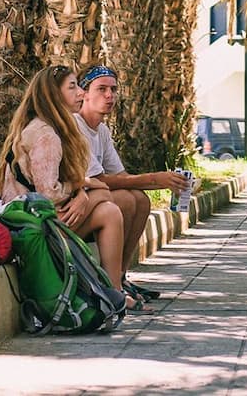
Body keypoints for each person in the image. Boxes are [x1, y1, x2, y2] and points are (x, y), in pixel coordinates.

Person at [0, 65, 135, 308]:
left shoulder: (49, 127)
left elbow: (63, 182)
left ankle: (114, 290)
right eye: (72, 87)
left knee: (107, 205)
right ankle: (113, 291)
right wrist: (82, 189)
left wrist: (82, 191)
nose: (80, 93)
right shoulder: (45, 134)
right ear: (53, 94)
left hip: (34, 220)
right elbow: (48, 196)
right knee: (106, 201)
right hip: (33, 226)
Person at [75, 65, 193, 306]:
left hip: (94, 202)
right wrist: (154, 179)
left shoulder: (102, 131)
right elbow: (101, 181)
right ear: (84, 93)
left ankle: (120, 275)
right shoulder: (76, 126)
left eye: (114, 90)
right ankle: (110, 286)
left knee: (139, 199)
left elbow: (122, 177)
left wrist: (167, 183)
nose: (110, 96)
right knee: (127, 199)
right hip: (74, 207)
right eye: (102, 89)